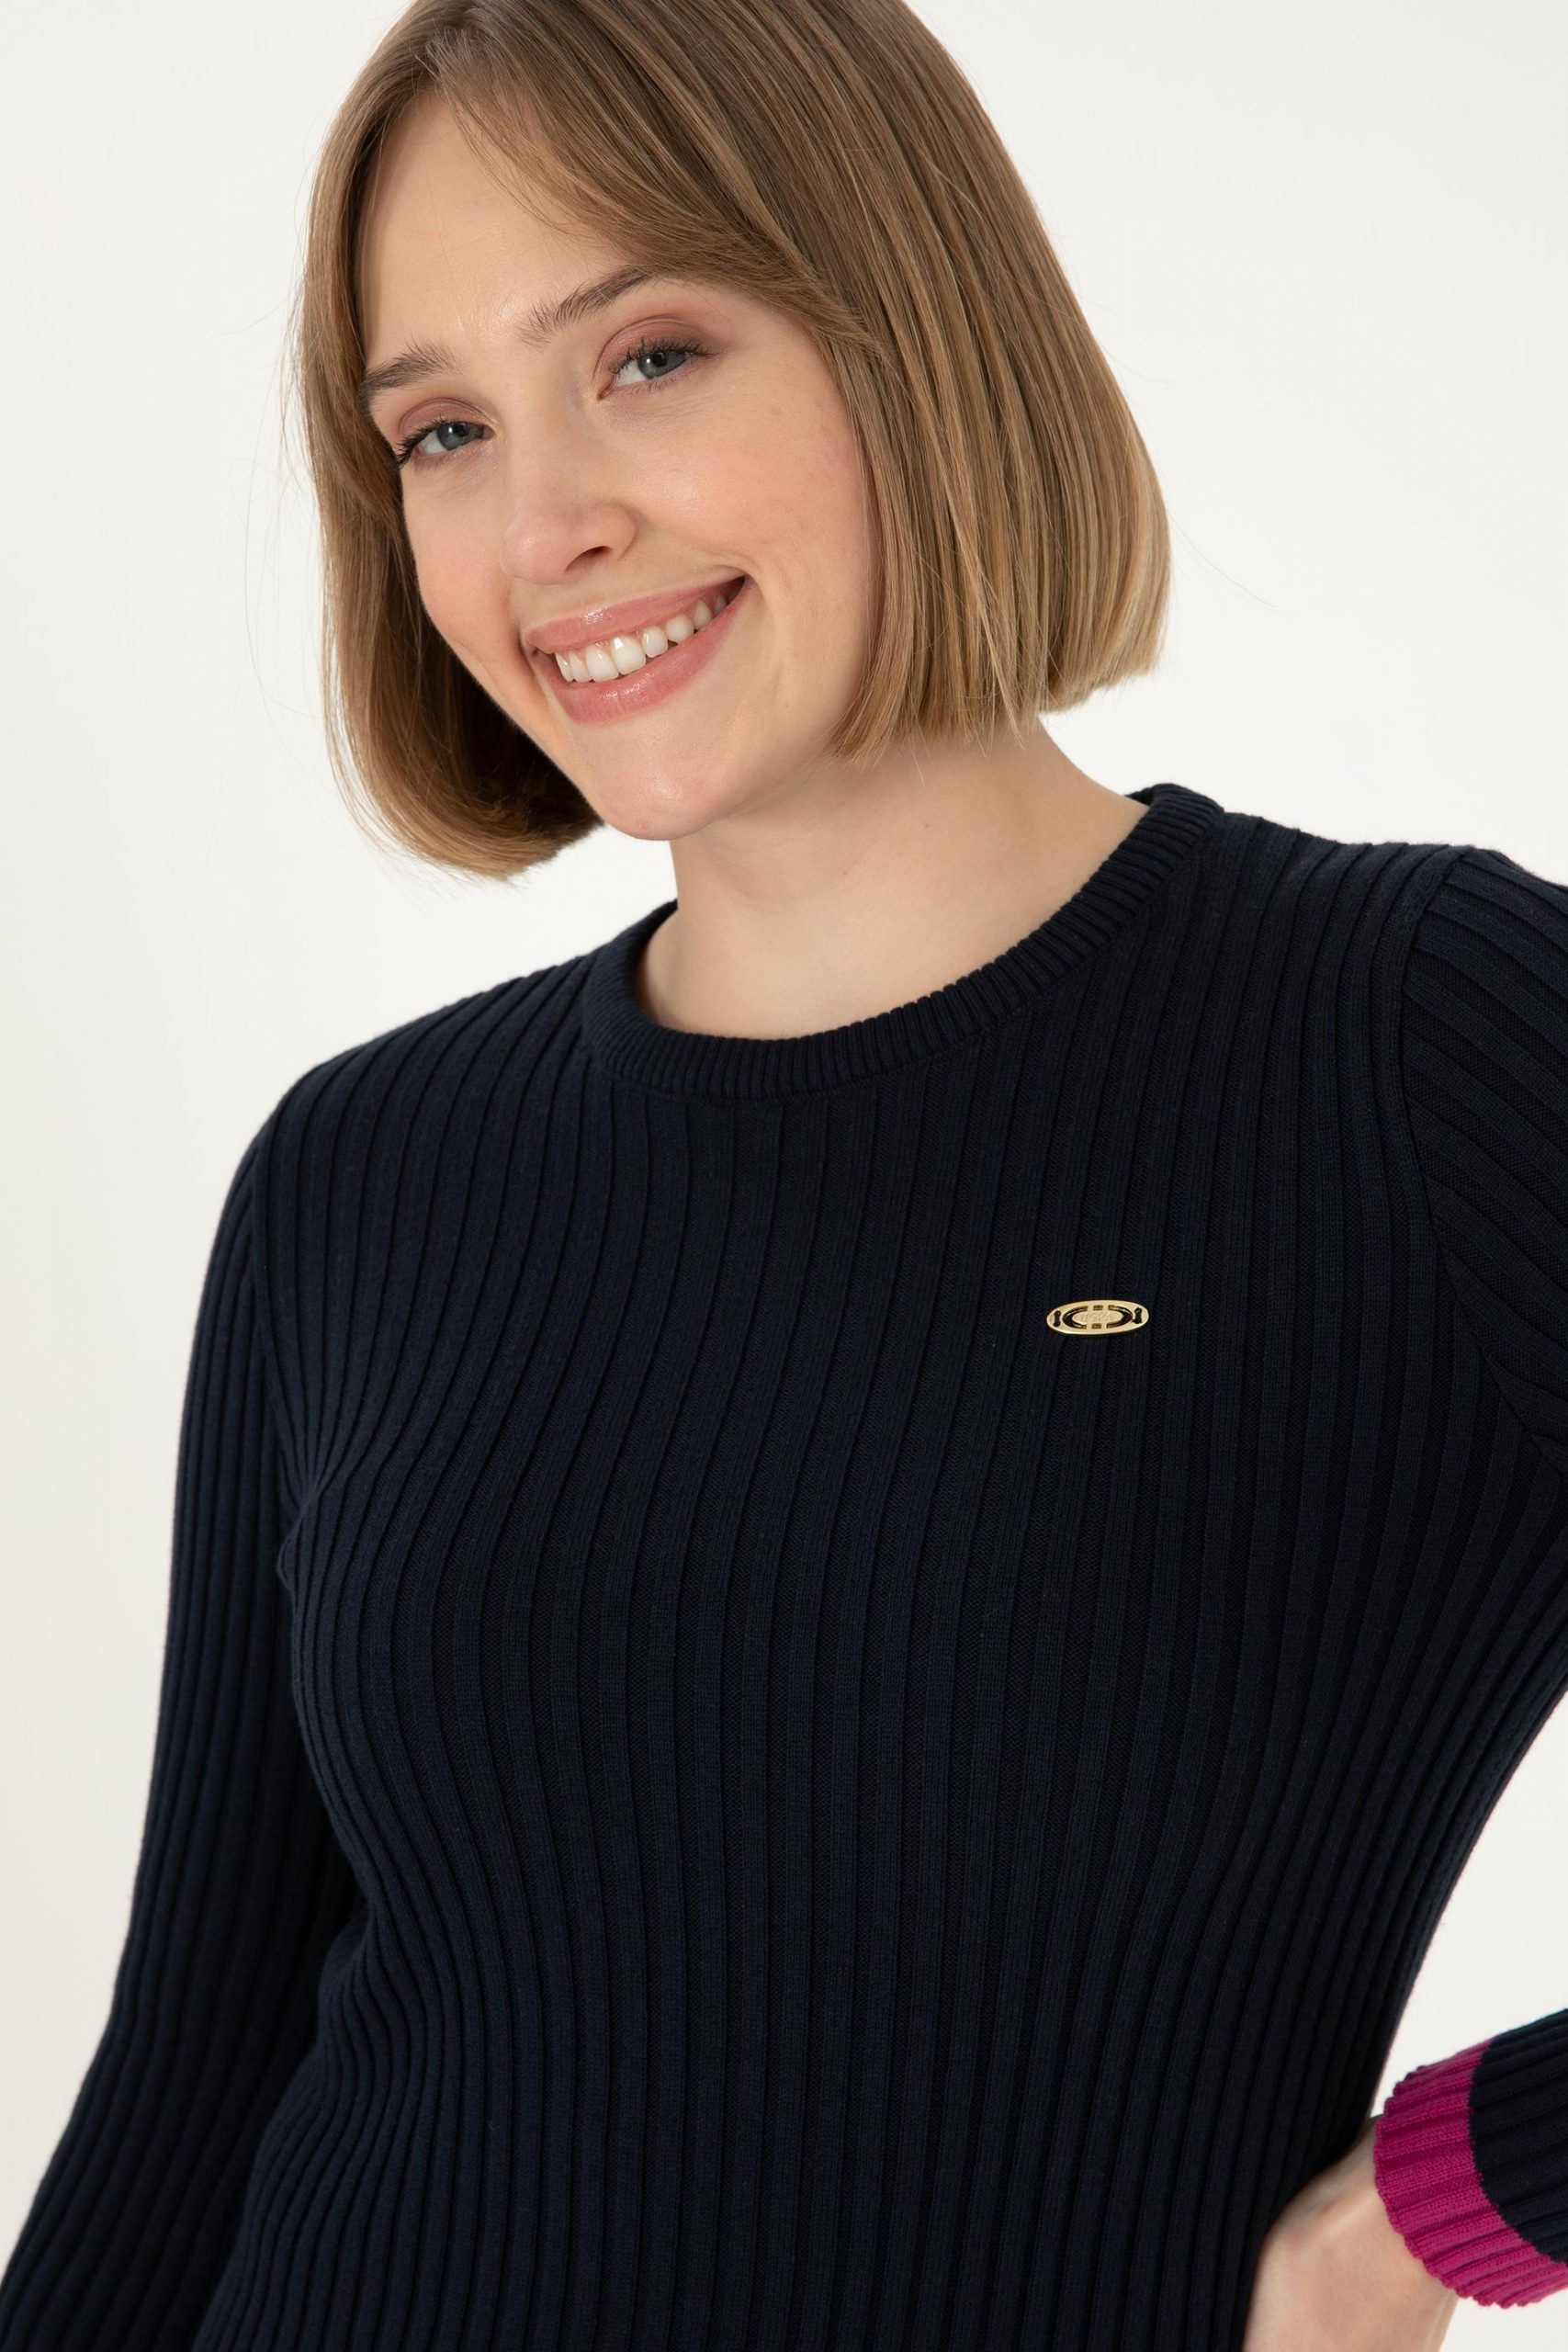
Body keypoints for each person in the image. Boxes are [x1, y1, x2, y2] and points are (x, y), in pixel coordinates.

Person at [1, 2, 1563, 2346]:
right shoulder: (361, 1173)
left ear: (909, 329)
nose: (542, 527)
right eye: (441, 430)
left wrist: (1435, 2205)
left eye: (644, 357)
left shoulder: (1421, 1036)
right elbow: (187, 2086)